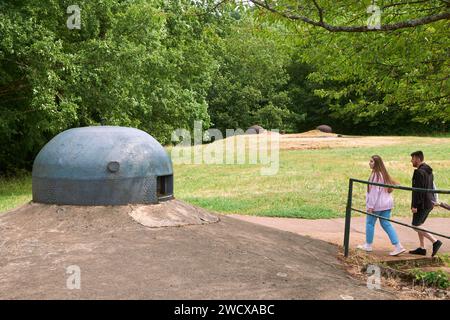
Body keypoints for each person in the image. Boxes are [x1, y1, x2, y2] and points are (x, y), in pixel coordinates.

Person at [357, 155, 405, 256]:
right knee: (386, 224)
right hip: (386, 204)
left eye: (371, 161)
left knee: (370, 223)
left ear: (376, 163)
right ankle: (398, 246)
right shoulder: (384, 174)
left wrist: (370, 206)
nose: (369, 163)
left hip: (377, 205)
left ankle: (368, 245)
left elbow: (374, 192)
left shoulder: (376, 175)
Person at [409, 151, 442, 257]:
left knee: (414, 225)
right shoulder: (428, 170)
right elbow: (433, 186)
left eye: (413, 158)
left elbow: (417, 191)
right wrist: (435, 199)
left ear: (418, 159)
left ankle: (435, 241)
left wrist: (414, 205)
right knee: (419, 224)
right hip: (429, 202)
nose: (411, 161)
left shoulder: (419, 172)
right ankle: (422, 248)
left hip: (422, 204)